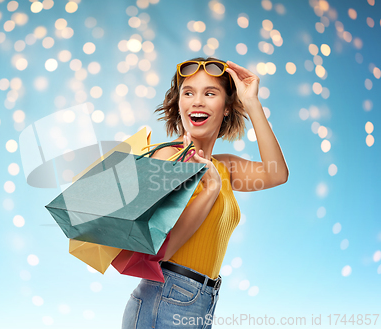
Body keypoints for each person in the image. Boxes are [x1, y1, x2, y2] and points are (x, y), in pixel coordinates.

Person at [121, 57, 289, 329]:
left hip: (201, 301)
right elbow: (158, 253)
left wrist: (252, 103)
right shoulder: (168, 158)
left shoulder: (225, 167)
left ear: (226, 108)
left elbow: (277, 173)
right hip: (165, 298)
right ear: (179, 103)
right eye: (188, 93)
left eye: (210, 93)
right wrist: (209, 191)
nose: (197, 101)